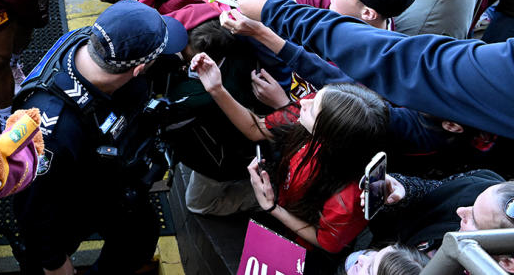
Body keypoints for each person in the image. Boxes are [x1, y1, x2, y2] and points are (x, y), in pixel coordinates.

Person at [230, 0, 514, 136]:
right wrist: (264, 30)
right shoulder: (342, 17)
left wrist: (283, 105)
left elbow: (341, 86)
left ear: (368, 13)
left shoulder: (383, 90)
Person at [13, 0, 188, 275]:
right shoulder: (52, 129)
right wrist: (55, 263)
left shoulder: (90, 41)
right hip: (67, 203)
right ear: (139, 69)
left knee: (139, 238)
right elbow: (32, 206)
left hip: (110, 180)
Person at [192, 53, 388, 258]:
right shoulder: (319, 107)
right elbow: (255, 127)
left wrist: (272, 208)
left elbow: (326, 242)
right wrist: (216, 89)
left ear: (329, 137)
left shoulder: (350, 197)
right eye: (315, 97)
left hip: (303, 246)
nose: (303, 103)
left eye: (313, 110)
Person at [369, 169, 514, 269]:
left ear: (507, 263)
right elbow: (432, 189)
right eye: (473, 203)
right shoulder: (481, 183)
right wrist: (403, 190)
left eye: (474, 221)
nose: (460, 210)